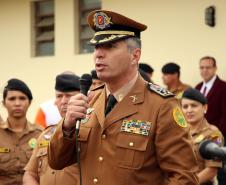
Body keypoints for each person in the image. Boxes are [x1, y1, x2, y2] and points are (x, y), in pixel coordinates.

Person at [48, 9, 199, 185]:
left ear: (135, 56)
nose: (99, 54)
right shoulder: (90, 100)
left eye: (110, 46)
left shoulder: (161, 105)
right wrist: (67, 126)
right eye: (96, 47)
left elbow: (184, 178)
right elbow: (56, 162)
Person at [23, 73, 81, 185]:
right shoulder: (47, 134)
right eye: (59, 96)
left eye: (69, 95)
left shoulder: (92, 131)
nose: (63, 101)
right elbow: (30, 174)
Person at [0, 78, 42, 185]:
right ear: (4, 103)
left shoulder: (41, 134)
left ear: (29, 102)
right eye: (12, 99)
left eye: (22, 98)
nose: (17, 103)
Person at [181, 88, 224, 185]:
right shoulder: (179, 131)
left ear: (205, 108)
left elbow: (211, 170)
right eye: (185, 106)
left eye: (194, 106)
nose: (189, 110)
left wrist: (187, 183)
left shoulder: (213, 134)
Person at [195, 56, 226, 185]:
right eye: (202, 67)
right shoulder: (198, 87)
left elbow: (225, 115)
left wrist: (220, 134)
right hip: (198, 136)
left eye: (208, 67)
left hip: (217, 136)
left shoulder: (223, 87)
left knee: (218, 172)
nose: (204, 70)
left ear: (215, 68)